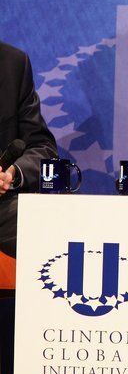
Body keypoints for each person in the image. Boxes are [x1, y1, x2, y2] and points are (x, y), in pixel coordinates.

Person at [0, 41, 58, 257]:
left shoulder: (13, 63)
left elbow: (42, 146)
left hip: (3, 207)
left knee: (59, 228)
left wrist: (11, 174)